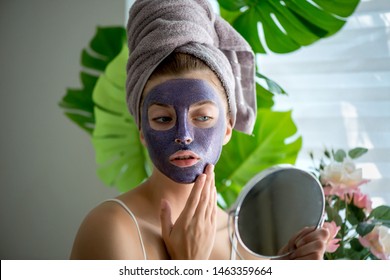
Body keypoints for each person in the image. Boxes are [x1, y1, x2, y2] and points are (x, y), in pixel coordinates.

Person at [70, 0, 330, 260]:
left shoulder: (241, 240)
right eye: (162, 119)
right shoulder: (110, 228)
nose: (184, 135)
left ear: (228, 127)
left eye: (203, 116)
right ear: (141, 130)